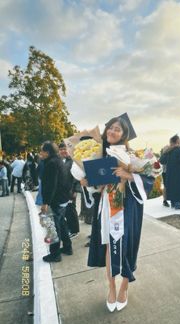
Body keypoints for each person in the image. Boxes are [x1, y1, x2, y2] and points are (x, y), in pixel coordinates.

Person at [80, 114, 154, 312]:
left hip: (127, 207)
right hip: (107, 206)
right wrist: (88, 184)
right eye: (110, 127)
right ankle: (111, 288)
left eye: (117, 129)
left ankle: (124, 287)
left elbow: (149, 180)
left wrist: (129, 175)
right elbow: (97, 186)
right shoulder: (99, 155)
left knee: (127, 246)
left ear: (124, 134)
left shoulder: (133, 156)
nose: (112, 131)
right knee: (108, 246)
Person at [40, 141, 72, 262]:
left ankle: (55, 254)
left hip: (56, 199)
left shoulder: (51, 163)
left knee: (53, 226)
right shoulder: (58, 160)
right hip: (63, 198)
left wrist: (45, 203)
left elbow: (50, 185)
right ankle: (68, 247)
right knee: (61, 223)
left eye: (42, 151)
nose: (40, 153)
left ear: (47, 152)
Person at [159, 135, 180, 210]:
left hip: (170, 174)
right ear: (177, 141)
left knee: (172, 188)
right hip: (179, 174)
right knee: (178, 188)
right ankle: (178, 205)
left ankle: (173, 204)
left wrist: (165, 152)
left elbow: (161, 160)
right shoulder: (179, 150)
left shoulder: (169, 151)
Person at [58, 142, 80, 238]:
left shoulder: (73, 161)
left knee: (71, 210)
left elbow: (78, 177)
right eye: (61, 149)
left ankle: (75, 230)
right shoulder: (61, 161)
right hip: (63, 191)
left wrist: (75, 190)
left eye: (65, 149)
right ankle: (70, 228)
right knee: (66, 211)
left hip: (71, 190)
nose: (63, 151)